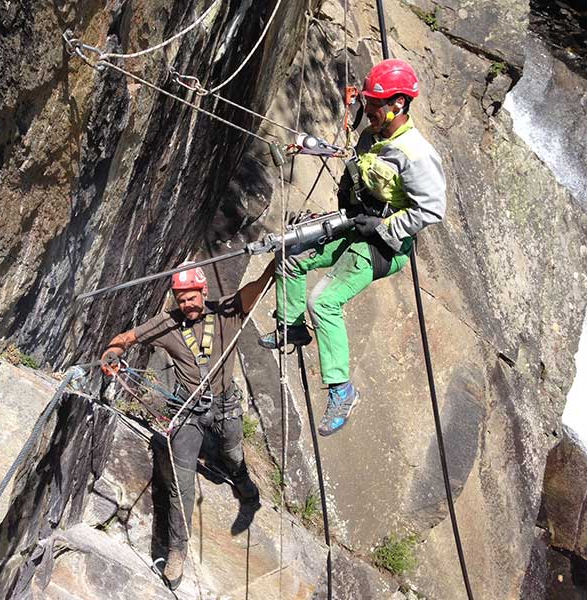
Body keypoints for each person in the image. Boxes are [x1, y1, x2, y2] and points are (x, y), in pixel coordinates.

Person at [259, 58, 447, 436]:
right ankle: (292, 327)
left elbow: (432, 210)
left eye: (374, 106)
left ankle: (343, 391)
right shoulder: (372, 135)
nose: (369, 112)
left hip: (384, 245)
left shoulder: (415, 154)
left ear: (398, 104)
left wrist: (382, 225)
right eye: (367, 104)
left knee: (324, 301)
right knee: (292, 255)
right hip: (356, 223)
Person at [101, 260, 275, 590]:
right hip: (187, 409)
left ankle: (239, 477)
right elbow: (129, 338)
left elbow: (261, 285)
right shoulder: (167, 324)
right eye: (181, 299)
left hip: (224, 405)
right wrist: (113, 349)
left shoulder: (228, 311)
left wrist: (276, 261)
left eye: (191, 297)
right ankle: (177, 549)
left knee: (232, 450)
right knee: (180, 485)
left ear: (203, 291)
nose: (186, 304)